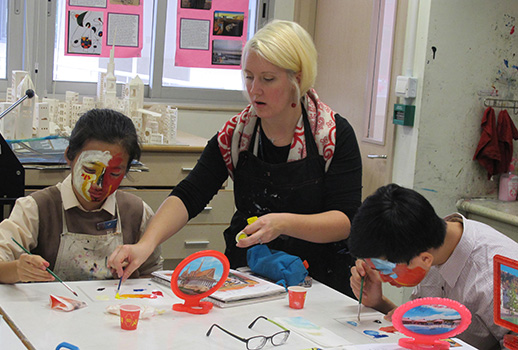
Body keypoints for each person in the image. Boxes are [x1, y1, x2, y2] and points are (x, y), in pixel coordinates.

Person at [108, 20, 362, 297]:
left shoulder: (332, 135)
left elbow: (345, 220)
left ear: (297, 79)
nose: (254, 90)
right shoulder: (237, 136)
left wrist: (281, 223)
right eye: (249, 76)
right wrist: (144, 245)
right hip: (252, 275)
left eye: (268, 79)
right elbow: (190, 193)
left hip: (320, 280)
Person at [0, 109, 163, 284]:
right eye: (89, 169)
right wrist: (16, 270)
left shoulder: (136, 212)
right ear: (69, 156)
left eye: (114, 174)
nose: (98, 184)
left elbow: (153, 277)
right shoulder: (37, 208)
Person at [348, 183, 518, 349]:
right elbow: (428, 328)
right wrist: (379, 302)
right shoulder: (424, 240)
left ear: (425, 260)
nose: (383, 279)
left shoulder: (505, 280)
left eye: (385, 270)